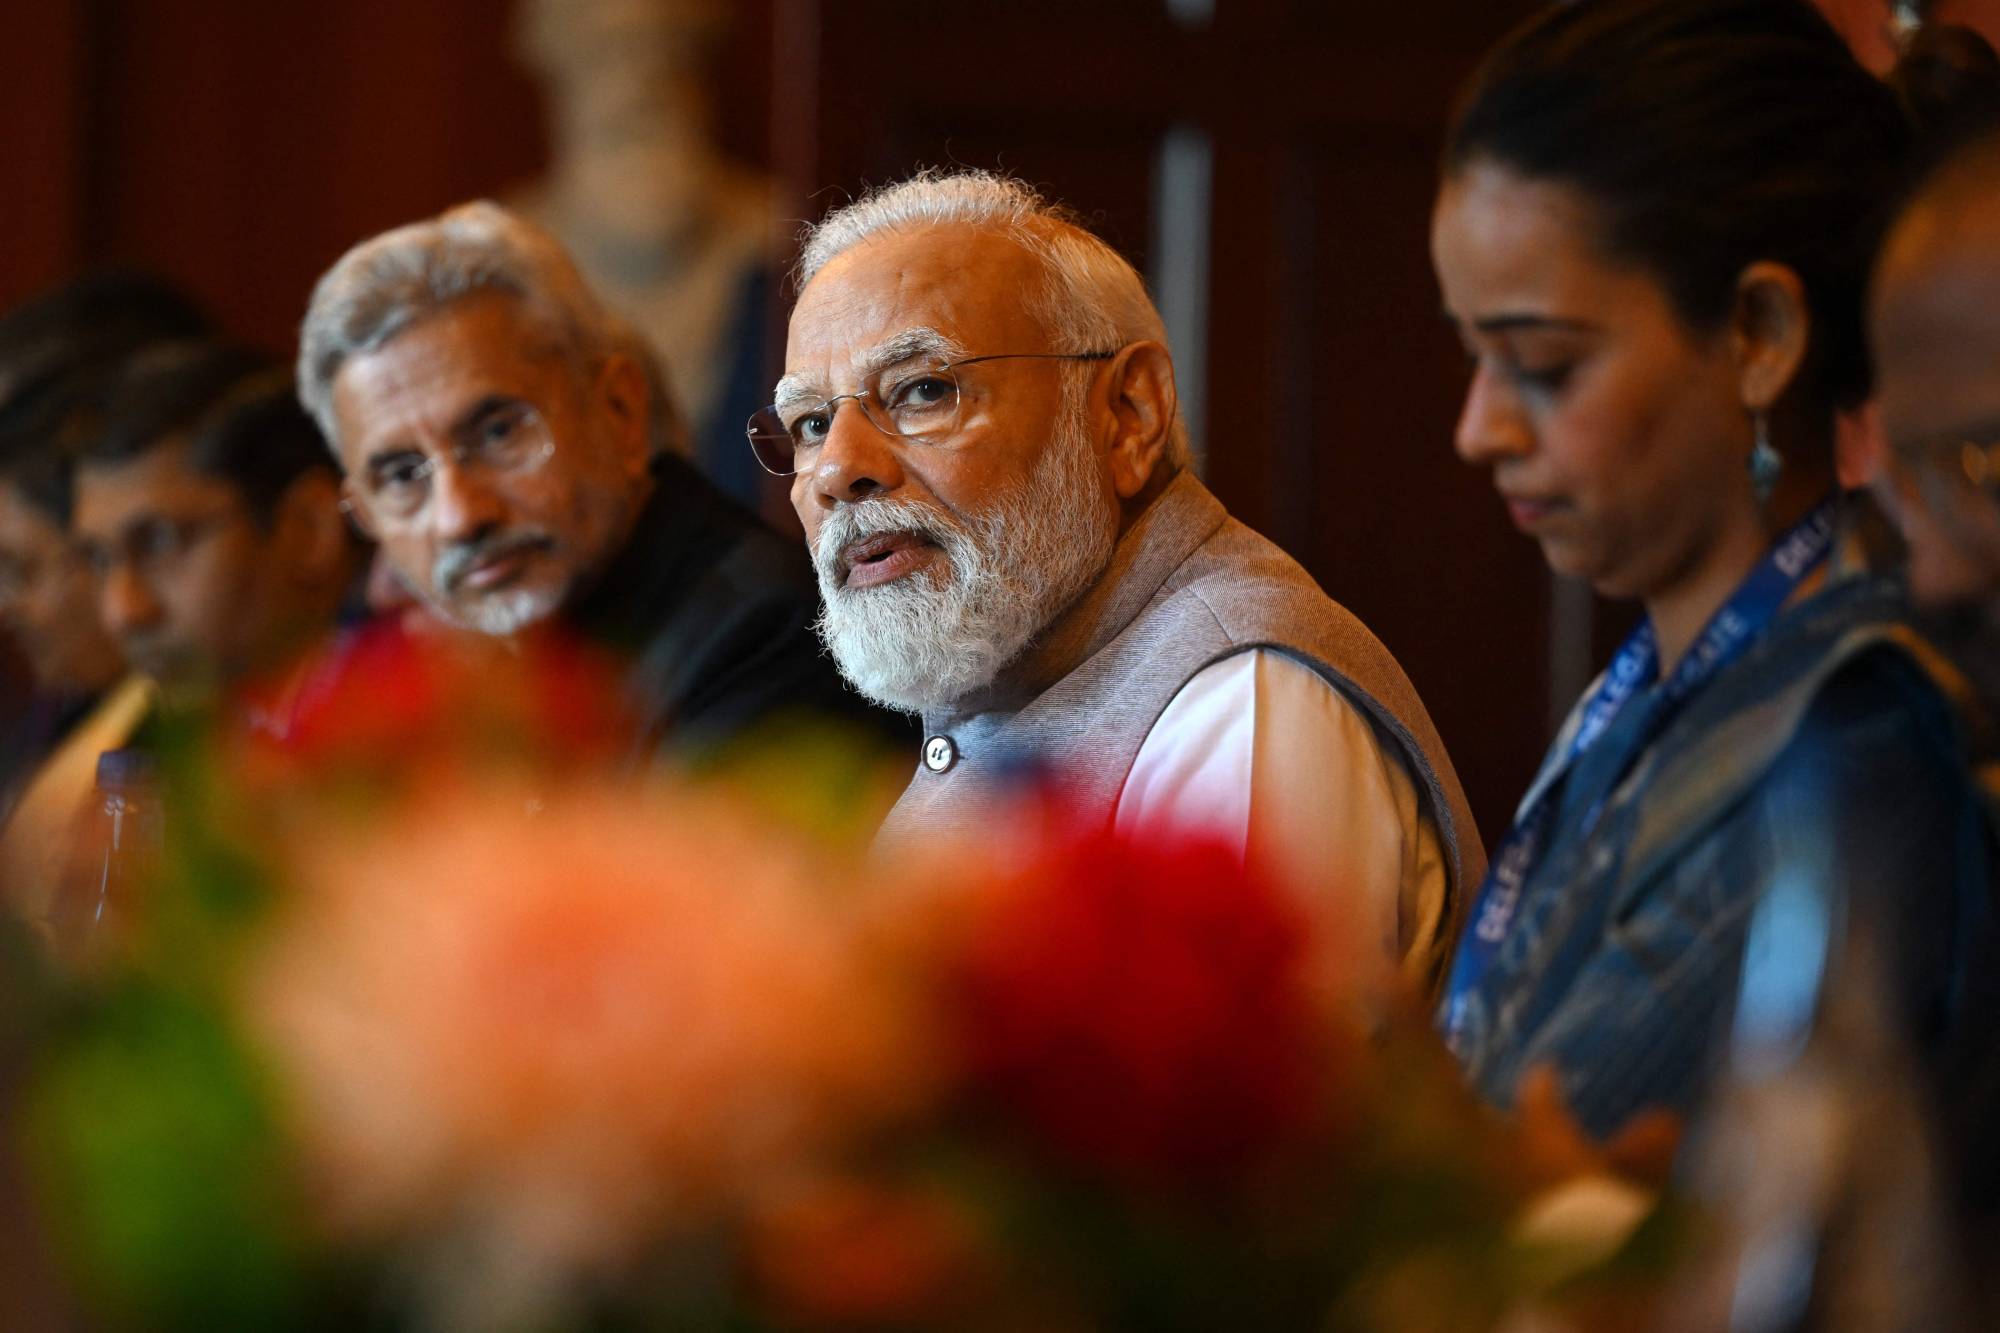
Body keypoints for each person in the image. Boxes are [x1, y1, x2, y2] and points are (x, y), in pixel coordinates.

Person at [1430, 0, 1995, 1139]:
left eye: (1538, 362)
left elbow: (1555, 1154)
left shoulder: (1852, 729)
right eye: (1472, 354)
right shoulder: (1651, 677)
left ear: (1755, 336)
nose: (1475, 427)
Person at [771, 170, 1483, 989]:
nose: (837, 470)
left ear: (1129, 415)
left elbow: (1218, 1108)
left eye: (924, 391)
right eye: (811, 424)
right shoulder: (1013, 659)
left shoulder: (1242, 699)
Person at [298, 201, 882, 762]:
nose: (459, 515)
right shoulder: (464, 679)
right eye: (402, 475)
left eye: (499, 433)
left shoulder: (762, 641)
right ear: (368, 516)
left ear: (620, 412)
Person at [72, 342, 360, 712]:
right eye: (98, 559)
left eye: (159, 543)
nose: (122, 612)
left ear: (311, 529)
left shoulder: (430, 722)